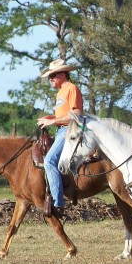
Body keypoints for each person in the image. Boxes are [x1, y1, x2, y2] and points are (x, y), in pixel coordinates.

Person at [37, 59, 83, 214]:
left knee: (49, 161)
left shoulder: (72, 89)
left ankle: (58, 203)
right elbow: (63, 114)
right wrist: (50, 118)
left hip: (69, 131)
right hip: (60, 130)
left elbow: (76, 115)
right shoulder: (60, 93)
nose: (51, 79)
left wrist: (54, 121)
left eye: (53, 75)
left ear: (63, 74)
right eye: (50, 76)